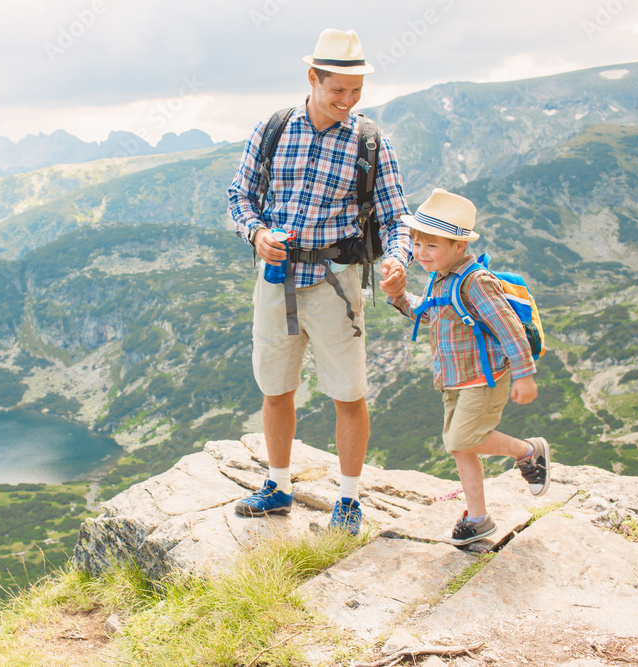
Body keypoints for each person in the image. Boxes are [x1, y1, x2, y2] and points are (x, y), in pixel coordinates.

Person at [227, 28, 412, 535]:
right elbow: (239, 198)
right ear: (313, 78)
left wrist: (397, 258)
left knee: (348, 393)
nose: (348, 102)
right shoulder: (272, 128)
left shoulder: (371, 143)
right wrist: (257, 233)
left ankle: (349, 500)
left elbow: (398, 219)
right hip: (277, 278)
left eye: (356, 92)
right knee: (276, 387)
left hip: (337, 280)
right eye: (338, 91)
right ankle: (278, 487)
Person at [384, 188, 550, 545]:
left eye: (431, 246)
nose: (420, 253)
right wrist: (398, 295)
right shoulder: (443, 277)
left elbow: (508, 327)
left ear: (459, 246)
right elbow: (429, 313)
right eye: (416, 244)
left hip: (484, 379)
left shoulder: (476, 281)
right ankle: (478, 519)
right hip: (454, 381)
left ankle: (528, 451)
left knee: (462, 438)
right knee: (461, 447)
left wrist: (524, 374)